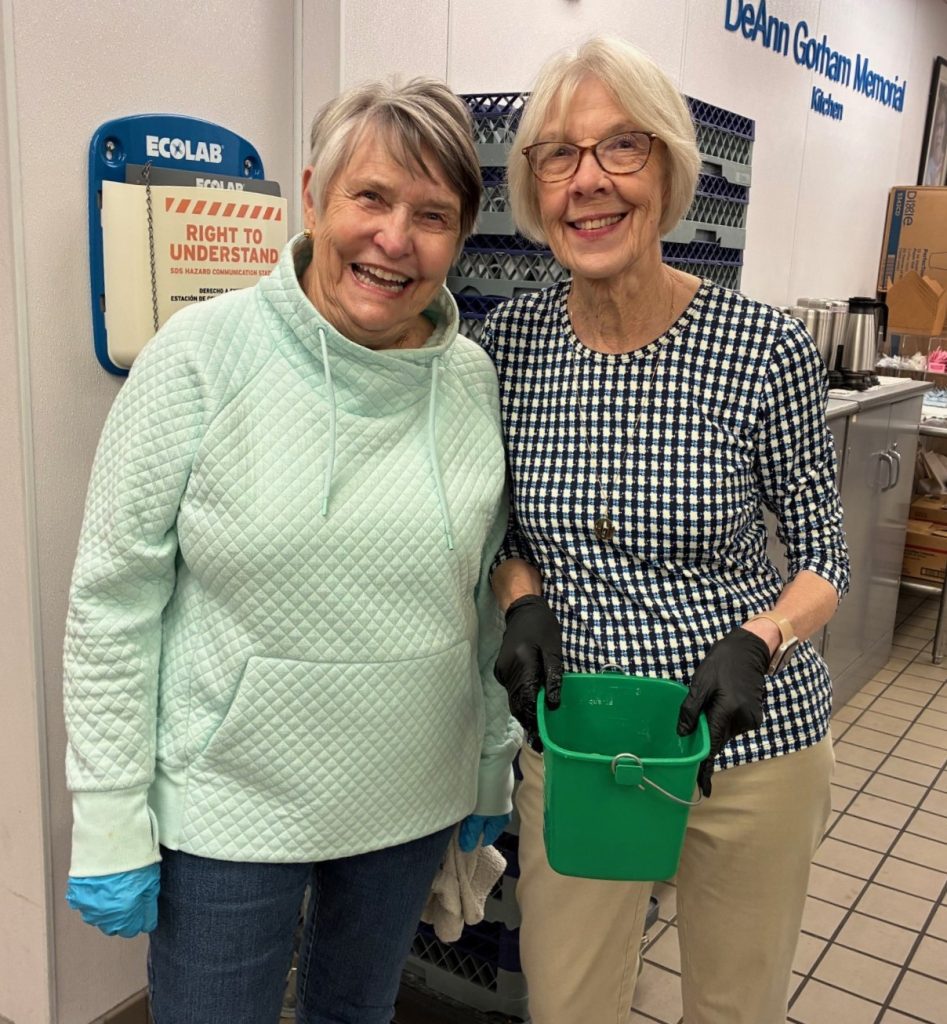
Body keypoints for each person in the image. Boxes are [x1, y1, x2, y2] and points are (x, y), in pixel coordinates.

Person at [62, 78, 521, 1024]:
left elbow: (478, 597)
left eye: (432, 215)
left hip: (410, 788)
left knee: (356, 1014)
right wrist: (108, 811)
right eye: (371, 197)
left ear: (460, 236)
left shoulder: (470, 380)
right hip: (231, 802)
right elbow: (113, 601)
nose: (394, 239)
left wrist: (488, 756)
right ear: (313, 196)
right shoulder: (198, 357)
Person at [482, 36, 850, 1024]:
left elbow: (824, 556)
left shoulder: (762, 346)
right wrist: (520, 601)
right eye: (557, 154)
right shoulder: (507, 345)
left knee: (734, 1006)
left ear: (669, 170)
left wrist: (760, 638)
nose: (587, 180)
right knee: (568, 1003)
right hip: (583, 741)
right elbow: (499, 532)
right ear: (533, 189)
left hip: (748, 739)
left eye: (620, 146)